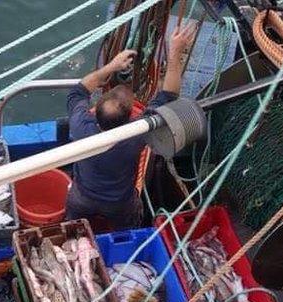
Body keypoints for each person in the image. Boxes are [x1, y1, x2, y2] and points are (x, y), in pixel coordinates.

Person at [65, 22, 198, 230]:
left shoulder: (79, 125)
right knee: (127, 228)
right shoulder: (137, 134)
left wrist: (112, 66)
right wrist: (175, 55)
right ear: (130, 117)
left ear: (95, 109)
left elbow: (80, 90)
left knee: (71, 229)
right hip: (118, 204)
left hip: (81, 198)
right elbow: (168, 96)